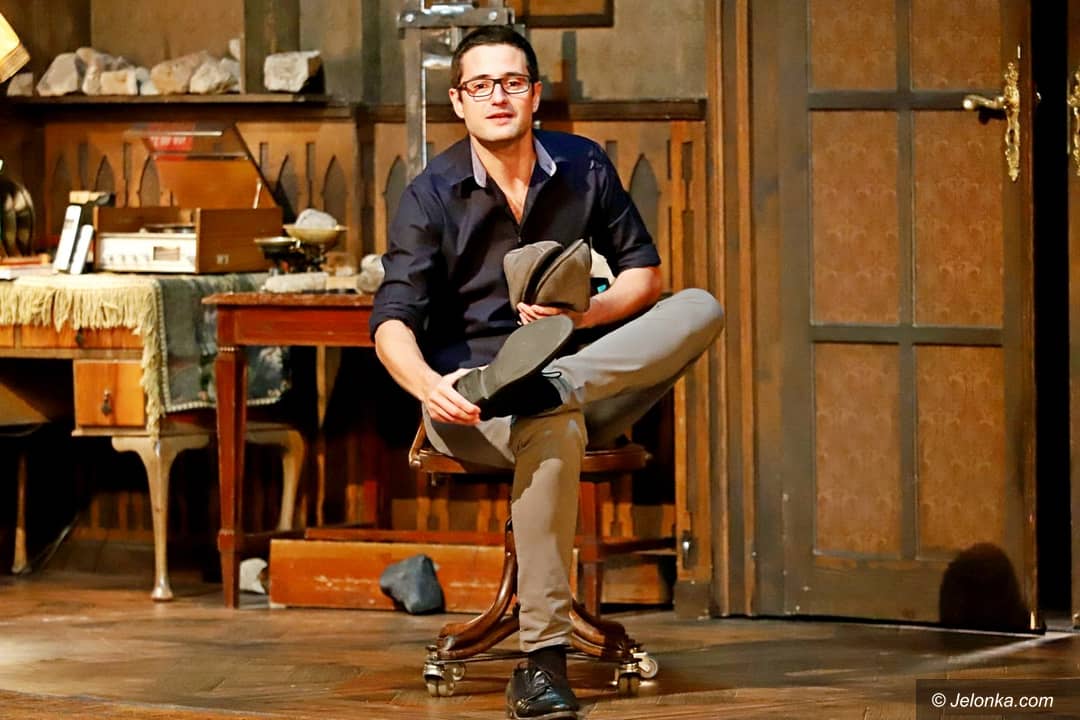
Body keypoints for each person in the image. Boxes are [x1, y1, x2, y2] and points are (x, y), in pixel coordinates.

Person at [370, 25, 723, 720]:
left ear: (534, 94)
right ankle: (542, 664)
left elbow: (644, 277)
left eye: (511, 83)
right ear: (458, 101)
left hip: (582, 372)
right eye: (480, 85)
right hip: (473, 402)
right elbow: (391, 320)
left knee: (699, 306)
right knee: (550, 421)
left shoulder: (584, 165)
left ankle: (555, 384)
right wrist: (429, 388)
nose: (497, 96)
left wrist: (584, 315)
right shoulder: (431, 193)